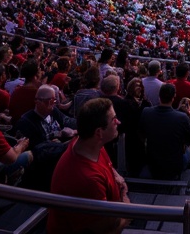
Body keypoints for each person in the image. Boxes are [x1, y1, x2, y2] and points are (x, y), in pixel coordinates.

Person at [47, 97, 130, 234]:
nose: (118, 122)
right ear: (99, 132)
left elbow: (107, 167)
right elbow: (107, 230)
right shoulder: (87, 179)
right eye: (114, 119)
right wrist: (125, 199)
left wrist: (117, 177)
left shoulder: (90, 145)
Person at [140, 80, 190, 179]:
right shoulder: (182, 117)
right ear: (173, 98)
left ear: (159, 96)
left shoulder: (146, 112)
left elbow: (141, 133)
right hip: (175, 166)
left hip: (153, 163)